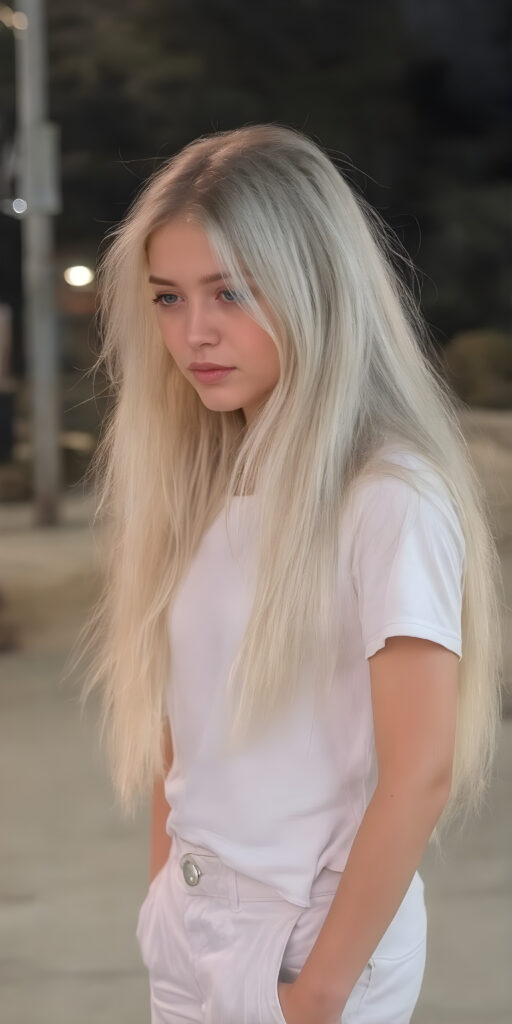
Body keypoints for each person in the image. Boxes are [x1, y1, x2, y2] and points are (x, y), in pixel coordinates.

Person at [67, 124, 504, 1023]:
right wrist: (167, 899)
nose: (194, 333)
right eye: (168, 297)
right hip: (194, 921)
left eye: (230, 292)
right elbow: (181, 725)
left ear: (314, 283)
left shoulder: (388, 495)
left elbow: (421, 769)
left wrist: (319, 990)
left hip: (304, 939)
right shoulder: (213, 478)